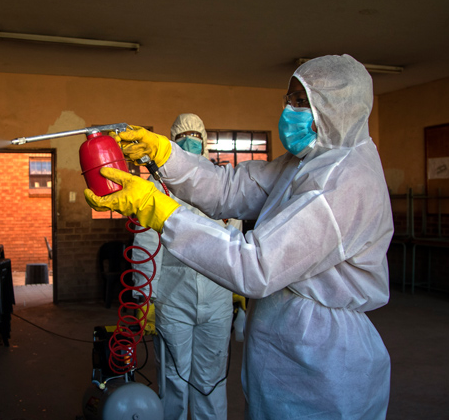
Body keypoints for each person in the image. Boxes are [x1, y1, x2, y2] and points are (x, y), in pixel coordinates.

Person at [85, 54, 393, 419]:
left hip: (322, 356)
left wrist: (162, 212)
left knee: (212, 383)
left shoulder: (346, 182)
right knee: (179, 378)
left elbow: (255, 264)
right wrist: (165, 157)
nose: (288, 110)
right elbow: (229, 188)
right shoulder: (308, 161)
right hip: (281, 338)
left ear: (334, 108)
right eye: (288, 99)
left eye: (299, 101)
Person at [133, 113, 242, 420]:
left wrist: (239, 291)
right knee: (174, 377)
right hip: (172, 297)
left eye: (197, 134)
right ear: (172, 140)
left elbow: (236, 238)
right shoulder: (158, 185)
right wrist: (146, 296)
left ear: (205, 140)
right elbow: (146, 242)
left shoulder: (220, 182)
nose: (191, 140)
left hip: (217, 298)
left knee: (211, 379)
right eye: (184, 135)